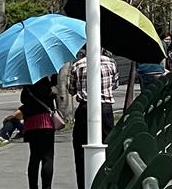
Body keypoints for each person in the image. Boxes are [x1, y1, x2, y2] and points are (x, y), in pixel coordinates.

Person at [68, 46, 119, 189]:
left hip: (85, 108)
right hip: (106, 108)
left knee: (80, 149)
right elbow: (114, 84)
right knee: (108, 146)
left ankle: (84, 184)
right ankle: (107, 181)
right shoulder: (111, 62)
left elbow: (71, 89)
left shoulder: (78, 64)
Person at [21, 75, 58, 189]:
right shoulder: (46, 83)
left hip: (31, 124)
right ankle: (46, 187)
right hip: (45, 123)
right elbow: (53, 95)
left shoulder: (27, 85)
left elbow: (23, 100)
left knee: (34, 157)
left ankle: (33, 186)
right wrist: (53, 81)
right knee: (47, 157)